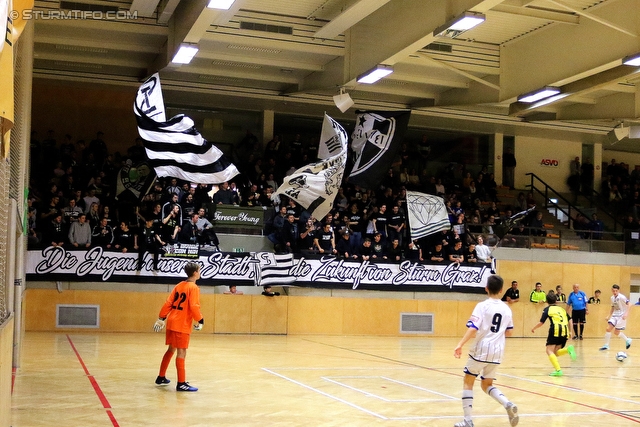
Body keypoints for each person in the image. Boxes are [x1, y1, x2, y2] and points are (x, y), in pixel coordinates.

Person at [453, 275, 518, 427]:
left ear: (486, 288)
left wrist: (460, 344)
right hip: (497, 351)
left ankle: (468, 421)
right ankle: (507, 403)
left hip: (481, 349)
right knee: (486, 384)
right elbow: (509, 332)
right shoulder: (506, 309)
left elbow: (473, 327)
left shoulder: (482, 306)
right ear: (502, 290)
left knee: (468, 381)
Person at [153, 262, 204, 392]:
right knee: (182, 352)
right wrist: (200, 319)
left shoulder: (179, 285)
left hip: (172, 322)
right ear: (194, 273)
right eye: (199, 270)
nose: (200, 272)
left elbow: (168, 302)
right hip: (181, 324)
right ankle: (181, 383)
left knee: (171, 349)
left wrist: (161, 317)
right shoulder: (193, 288)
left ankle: (161, 377)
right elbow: (194, 306)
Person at [531, 291, 576, 377]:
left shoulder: (547, 309)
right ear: (556, 301)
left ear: (547, 301)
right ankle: (568, 350)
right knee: (555, 352)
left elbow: (541, 322)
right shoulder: (562, 309)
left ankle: (558, 370)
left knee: (549, 350)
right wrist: (571, 331)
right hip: (564, 331)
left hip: (555, 330)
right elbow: (570, 320)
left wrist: (534, 328)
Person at [599, 284, 632, 351]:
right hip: (615, 315)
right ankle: (606, 345)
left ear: (618, 291)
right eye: (613, 291)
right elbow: (613, 307)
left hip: (621, 316)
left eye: (616, 291)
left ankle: (627, 339)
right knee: (608, 329)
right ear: (612, 290)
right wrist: (609, 315)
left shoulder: (622, 297)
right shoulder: (612, 298)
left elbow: (630, 304)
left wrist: (626, 314)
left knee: (616, 332)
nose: (615, 292)